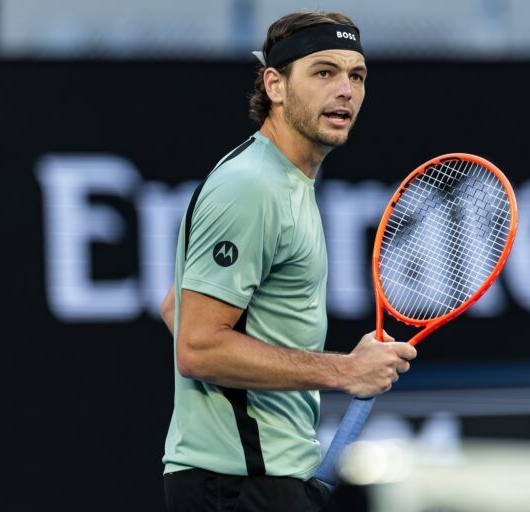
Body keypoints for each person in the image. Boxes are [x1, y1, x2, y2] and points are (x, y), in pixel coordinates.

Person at [159, 11, 417, 512]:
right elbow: (196, 346)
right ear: (275, 85)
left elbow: (176, 307)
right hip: (237, 484)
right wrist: (344, 371)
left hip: (260, 480)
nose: (345, 90)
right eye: (324, 72)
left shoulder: (285, 181)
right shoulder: (252, 187)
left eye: (356, 76)